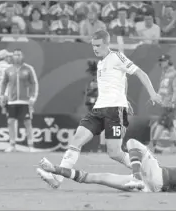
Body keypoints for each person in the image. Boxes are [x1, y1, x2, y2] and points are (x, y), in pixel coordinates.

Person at [37, 30, 162, 189]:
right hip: (98, 109)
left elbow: (139, 72)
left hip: (114, 110)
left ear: (106, 44)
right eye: (93, 46)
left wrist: (152, 93)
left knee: (114, 153)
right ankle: (57, 179)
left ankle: (149, 173)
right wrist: (124, 96)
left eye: (98, 45)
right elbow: (122, 80)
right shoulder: (101, 63)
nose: (95, 48)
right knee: (76, 140)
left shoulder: (116, 56)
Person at [37, 138, 176, 193]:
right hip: (151, 187)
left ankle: (136, 176)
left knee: (133, 142)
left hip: (157, 175)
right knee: (98, 177)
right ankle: (55, 170)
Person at [0, 49, 39, 152]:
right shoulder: (8, 70)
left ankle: (31, 145)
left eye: (19, 55)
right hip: (12, 101)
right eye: (15, 55)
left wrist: (33, 96)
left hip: (24, 101)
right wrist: (2, 95)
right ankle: (12, 144)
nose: (17, 56)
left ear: (22, 56)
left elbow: (33, 83)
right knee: (10, 121)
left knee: (27, 122)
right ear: (12, 57)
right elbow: (4, 83)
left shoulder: (29, 69)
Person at [151, 54, 176, 153]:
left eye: (163, 61)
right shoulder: (164, 74)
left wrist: (173, 102)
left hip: (170, 105)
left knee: (161, 123)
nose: (161, 63)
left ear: (168, 61)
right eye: (161, 61)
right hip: (164, 104)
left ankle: (153, 144)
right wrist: (157, 97)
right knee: (169, 126)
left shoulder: (174, 74)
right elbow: (163, 89)